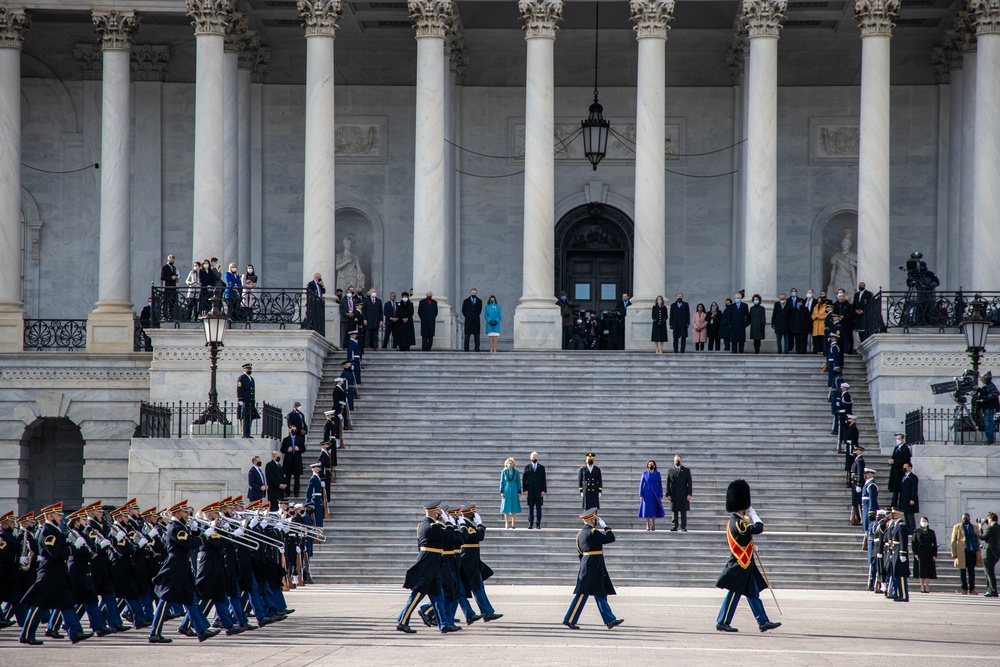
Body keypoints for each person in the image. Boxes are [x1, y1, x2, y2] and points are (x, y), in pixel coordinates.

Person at [18, 502, 91, 646]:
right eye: (59, 515)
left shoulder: (54, 529)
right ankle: (26, 635)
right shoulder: (46, 531)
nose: (61, 517)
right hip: (50, 573)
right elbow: (57, 553)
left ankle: (75, 632)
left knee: (67, 603)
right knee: (38, 604)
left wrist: (70, 545)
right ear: (50, 516)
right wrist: (73, 547)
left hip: (59, 573)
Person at [147, 501, 220, 644]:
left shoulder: (180, 527)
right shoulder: (175, 528)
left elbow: (191, 540)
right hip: (175, 568)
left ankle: (201, 630)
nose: (188, 515)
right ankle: (154, 633)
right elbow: (191, 544)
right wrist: (206, 534)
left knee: (190, 599)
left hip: (182, 568)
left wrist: (195, 531)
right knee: (166, 601)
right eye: (185, 512)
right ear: (177, 513)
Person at [715, 480, 781, 633]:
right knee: (734, 593)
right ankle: (722, 621)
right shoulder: (738, 523)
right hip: (740, 564)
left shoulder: (735, 521)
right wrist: (754, 514)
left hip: (744, 564)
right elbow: (758, 528)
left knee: (752, 592)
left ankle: (763, 621)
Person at [396, 501, 455, 634]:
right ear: (435, 513)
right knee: (417, 596)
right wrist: (448, 522)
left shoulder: (425, 525)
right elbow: (451, 536)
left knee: (438, 596)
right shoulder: (432, 526)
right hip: (428, 565)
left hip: (433, 565)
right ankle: (402, 622)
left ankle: (444, 623)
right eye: (439, 514)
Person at [562, 508, 623, 630]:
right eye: (595, 519)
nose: (596, 521)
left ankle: (610, 620)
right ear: (591, 519)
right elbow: (611, 538)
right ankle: (569, 619)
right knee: (582, 593)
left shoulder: (579, 534)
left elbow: (580, 552)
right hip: (593, 565)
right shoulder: (593, 532)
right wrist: (606, 527)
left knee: (600, 592)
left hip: (588, 563)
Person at [951, 513, 982, 595]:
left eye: (966, 518)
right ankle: (964, 588)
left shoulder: (974, 527)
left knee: (971, 571)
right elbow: (953, 541)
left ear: (969, 518)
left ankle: (972, 588)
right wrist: (954, 553)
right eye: (964, 518)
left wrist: (978, 552)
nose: (965, 519)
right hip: (962, 552)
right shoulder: (957, 527)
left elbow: (977, 540)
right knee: (962, 570)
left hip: (972, 552)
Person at [889, 507, 911, 602]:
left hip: (899, 552)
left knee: (901, 575)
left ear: (899, 515)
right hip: (895, 551)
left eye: (894, 514)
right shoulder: (895, 525)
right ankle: (899, 594)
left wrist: (902, 553)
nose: (893, 516)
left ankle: (904, 595)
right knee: (896, 574)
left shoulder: (901, 525)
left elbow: (903, 540)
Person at [667, 454, 693, 532]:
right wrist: (667, 494)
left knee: (683, 510)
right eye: (676, 460)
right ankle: (674, 526)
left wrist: (689, 494)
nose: (677, 461)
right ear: (673, 461)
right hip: (674, 493)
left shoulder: (686, 470)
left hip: (683, 493)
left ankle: (683, 526)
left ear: (681, 461)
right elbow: (668, 483)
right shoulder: (670, 470)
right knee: (674, 511)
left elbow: (689, 483)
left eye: (678, 460)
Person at [911, 516, 937, 593]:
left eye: (925, 521)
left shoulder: (931, 532)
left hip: (929, 552)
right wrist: (915, 553)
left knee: (928, 570)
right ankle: (922, 586)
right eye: (922, 521)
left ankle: (927, 586)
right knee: (921, 570)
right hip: (920, 552)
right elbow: (913, 543)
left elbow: (934, 543)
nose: (924, 522)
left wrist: (934, 554)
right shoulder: (917, 531)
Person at [522, 452, 547, 529]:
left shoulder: (541, 467)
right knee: (530, 508)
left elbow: (544, 480)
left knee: (539, 508)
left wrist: (543, 490)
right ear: (530, 458)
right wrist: (525, 490)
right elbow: (524, 480)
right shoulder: (527, 467)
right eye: (533, 456)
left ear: (538, 458)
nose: (534, 458)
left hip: (539, 491)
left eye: (536, 456)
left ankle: (538, 524)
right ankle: (530, 523)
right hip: (530, 491)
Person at [637, 460, 664, 531]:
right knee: (647, 509)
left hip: (655, 492)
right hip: (647, 493)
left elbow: (660, 485)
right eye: (649, 464)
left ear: (654, 466)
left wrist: (660, 495)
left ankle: (653, 524)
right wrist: (641, 494)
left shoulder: (657, 474)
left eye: (652, 464)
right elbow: (641, 484)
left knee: (654, 508)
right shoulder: (644, 473)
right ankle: (647, 523)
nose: (650, 465)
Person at [280, 426, 306, 498]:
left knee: (297, 478)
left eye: (295, 430)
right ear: (289, 430)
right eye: (292, 430)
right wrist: (287, 449)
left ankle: (296, 492)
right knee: (287, 478)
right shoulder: (286, 440)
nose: (293, 431)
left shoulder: (300, 439)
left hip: (297, 462)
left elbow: (304, 449)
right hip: (288, 462)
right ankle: (287, 492)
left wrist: (299, 449)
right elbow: (282, 449)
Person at [887, 432, 911, 509]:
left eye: (899, 439)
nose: (897, 440)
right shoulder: (896, 448)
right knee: (895, 489)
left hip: (899, 471)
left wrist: (895, 462)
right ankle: (893, 503)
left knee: (898, 489)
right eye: (897, 439)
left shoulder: (905, 449)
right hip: (894, 471)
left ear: (902, 439)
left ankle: (895, 504)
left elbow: (905, 461)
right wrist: (891, 461)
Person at [980, 513, 999, 597]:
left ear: (990, 519)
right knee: (990, 571)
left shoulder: (990, 529)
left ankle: (992, 590)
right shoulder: (998, 527)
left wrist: (980, 527)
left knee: (989, 572)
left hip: (988, 553)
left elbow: (982, 537)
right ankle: (991, 589)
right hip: (996, 553)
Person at [499, 458, 521, 529]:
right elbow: (502, 482)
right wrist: (501, 491)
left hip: (514, 489)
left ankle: (513, 523)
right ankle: (506, 523)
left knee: (514, 507)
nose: (510, 464)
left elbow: (518, 482)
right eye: (509, 463)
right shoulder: (504, 472)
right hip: (506, 490)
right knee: (506, 507)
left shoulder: (516, 472)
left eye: (511, 463)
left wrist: (519, 491)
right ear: (506, 464)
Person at [236, 362, 256, 438]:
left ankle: (248, 433)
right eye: (248, 369)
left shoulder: (251, 379)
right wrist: (240, 399)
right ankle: (244, 433)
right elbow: (239, 389)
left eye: (250, 369)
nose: (249, 370)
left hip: (250, 402)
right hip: (244, 401)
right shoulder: (242, 378)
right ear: (244, 370)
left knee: (249, 417)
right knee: (244, 418)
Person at [979, 371, 999, 444]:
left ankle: (990, 439)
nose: (981, 380)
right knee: (987, 424)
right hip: (986, 408)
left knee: (988, 424)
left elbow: (996, 393)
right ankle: (989, 439)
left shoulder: (990, 386)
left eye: (982, 378)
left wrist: (986, 397)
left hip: (989, 408)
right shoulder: (986, 386)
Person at [898, 463, 919, 531]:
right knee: (905, 514)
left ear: (910, 468)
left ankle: (912, 528)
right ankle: (907, 527)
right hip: (904, 499)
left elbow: (914, 489)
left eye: (906, 467)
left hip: (909, 499)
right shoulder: (903, 477)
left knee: (910, 514)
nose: (904, 468)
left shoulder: (913, 477)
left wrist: (912, 499)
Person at [790, 289, 811, 354]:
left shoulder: (805, 309)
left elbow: (807, 319)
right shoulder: (794, 310)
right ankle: (798, 350)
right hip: (796, 328)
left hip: (803, 329)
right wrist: (792, 327)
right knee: (797, 340)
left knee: (803, 340)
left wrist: (806, 326)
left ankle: (803, 350)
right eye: (798, 302)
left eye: (801, 302)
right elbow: (792, 319)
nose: (799, 303)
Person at [849, 444, 866, 526]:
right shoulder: (857, 460)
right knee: (855, 502)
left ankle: (860, 519)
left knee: (857, 503)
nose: (854, 452)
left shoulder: (860, 461)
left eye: (855, 450)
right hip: (854, 483)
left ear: (859, 451)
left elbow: (860, 473)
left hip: (857, 483)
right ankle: (857, 518)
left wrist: (859, 483)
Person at [160, 254, 180, 320]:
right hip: (167, 287)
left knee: (172, 302)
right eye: (171, 259)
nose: (172, 261)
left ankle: (171, 315)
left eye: (173, 260)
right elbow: (162, 277)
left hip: (173, 287)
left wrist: (176, 278)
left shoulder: (174, 268)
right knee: (166, 301)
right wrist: (171, 278)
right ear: (168, 259)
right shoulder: (164, 267)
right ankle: (165, 316)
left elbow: (175, 275)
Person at [305, 463, 325, 528]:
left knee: (319, 513)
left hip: (318, 498)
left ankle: (319, 526)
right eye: (317, 469)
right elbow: (309, 490)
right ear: (314, 469)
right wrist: (308, 501)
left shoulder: (317, 477)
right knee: (317, 514)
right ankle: (318, 527)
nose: (318, 470)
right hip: (316, 498)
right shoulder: (313, 478)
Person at [860, 468, 879, 532]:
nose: (865, 475)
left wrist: (871, 509)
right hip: (865, 507)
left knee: (869, 525)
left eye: (867, 474)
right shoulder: (867, 483)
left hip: (868, 507)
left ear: (870, 475)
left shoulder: (871, 485)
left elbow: (872, 498)